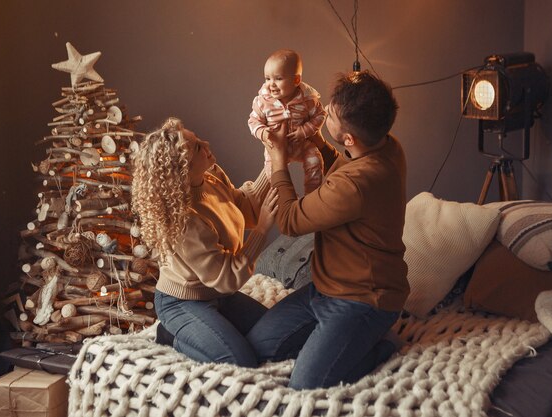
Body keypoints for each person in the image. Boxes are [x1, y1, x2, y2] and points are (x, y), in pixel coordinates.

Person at [247, 71, 409, 389]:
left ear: (349, 138)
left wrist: (279, 160)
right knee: (261, 348)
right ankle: (338, 340)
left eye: (330, 117)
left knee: (307, 382)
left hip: (362, 300)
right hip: (324, 288)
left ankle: (383, 345)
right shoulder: (388, 146)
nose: (323, 117)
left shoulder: (357, 184)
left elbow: (291, 221)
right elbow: (346, 167)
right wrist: (319, 142)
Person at [131, 117, 279, 367]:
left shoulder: (210, 178)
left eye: (198, 139)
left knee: (277, 336)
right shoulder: (185, 220)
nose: (206, 143)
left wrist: (274, 159)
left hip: (218, 294)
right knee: (240, 360)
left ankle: (208, 330)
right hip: (183, 301)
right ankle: (174, 336)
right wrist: (263, 229)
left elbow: (242, 206)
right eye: (197, 146)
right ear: (183, 168)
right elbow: (227, 277)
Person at [248, 49, 327, 194]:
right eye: (267, 78)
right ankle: (283, 197)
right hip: (275, 147)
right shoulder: (263, 101)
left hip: (301, 144)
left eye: (278, 79)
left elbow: (320, 115)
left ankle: (311, 195)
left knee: (315, 161)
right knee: (273, 174)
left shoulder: (307, 99)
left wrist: (304, 131)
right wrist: (263, 133)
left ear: (296, 80)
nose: (271, 84)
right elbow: (253, 121)